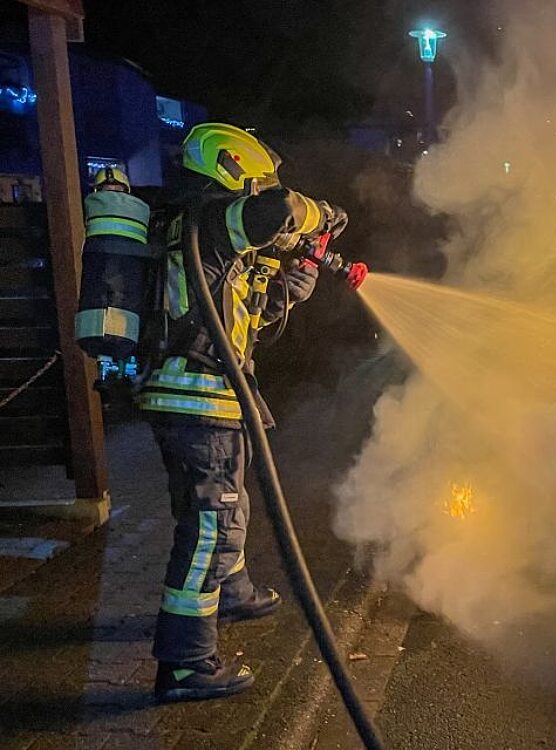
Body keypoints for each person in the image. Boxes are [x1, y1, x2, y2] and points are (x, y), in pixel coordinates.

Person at [140, 123, 347, 702]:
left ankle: (230, 595)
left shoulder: (200, 233)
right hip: (198, 398)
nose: (264, 191)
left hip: (202, 396)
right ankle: (185, 663)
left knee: (223, 507)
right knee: (209, 528)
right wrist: (322, 214)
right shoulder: (211, 218)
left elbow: (263, 312)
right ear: (233, 169)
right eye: (257, 180)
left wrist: (300, 270)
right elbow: (279, 209)